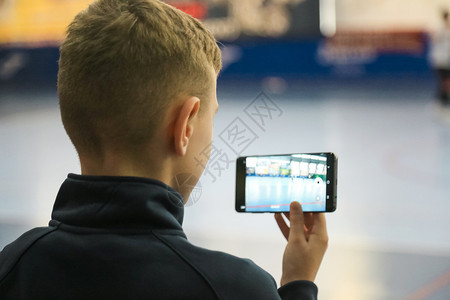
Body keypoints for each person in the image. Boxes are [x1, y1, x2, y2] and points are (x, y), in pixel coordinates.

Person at [0, 0, 328, 299]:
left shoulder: (12, 267)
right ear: (184, 127)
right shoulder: (236, 287)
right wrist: (298, 285)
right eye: (210, 117)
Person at [429, 9, 450, 106]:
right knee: (444, 80)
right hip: (440, 60)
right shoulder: (441, 30)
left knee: (445, 80)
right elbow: (434, 40)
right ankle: (442, 98)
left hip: (445, 59)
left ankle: (442, 97)